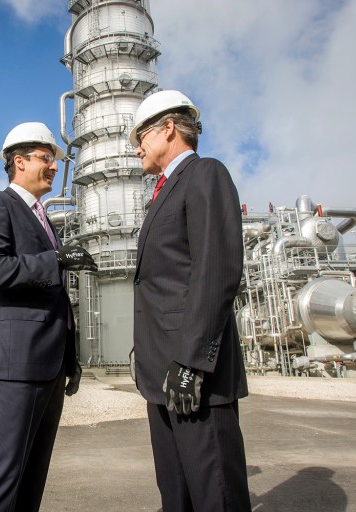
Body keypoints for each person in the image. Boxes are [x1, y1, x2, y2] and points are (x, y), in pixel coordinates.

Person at [0, 121, 97, 512]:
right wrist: (55, 258)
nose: (54, 166)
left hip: (48, 365)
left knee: (32, 476)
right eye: (45, 158)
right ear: (18, 161)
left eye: (54, 159)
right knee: (2, 478)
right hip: (15, 365)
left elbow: (55, 299)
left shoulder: (43, 219)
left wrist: (69, 359)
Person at [130, 90, 251, 511]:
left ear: (168, 129)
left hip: (194, 374)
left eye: (141, 137)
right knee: (176, 493)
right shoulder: (162, 192)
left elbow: (216, 271)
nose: (137, 147)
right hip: (161, 373)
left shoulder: (205, 174)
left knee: (214, 492)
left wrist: (191, 363)